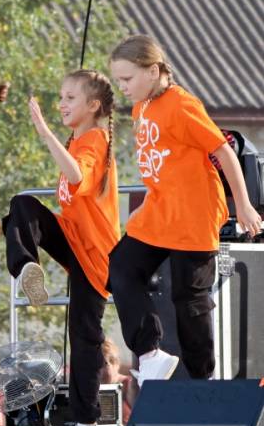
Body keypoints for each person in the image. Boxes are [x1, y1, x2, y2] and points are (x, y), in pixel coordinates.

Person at [108, 35, 263, 385]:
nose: (123, 87)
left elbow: (223, 151)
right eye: (119, 80)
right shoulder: (142, 107)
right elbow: (163, 165)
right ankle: (151, 353)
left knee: (188, 299)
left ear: (153, 71)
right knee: (122, 268)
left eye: (127, 78)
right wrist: (147, 205)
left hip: (194, 214)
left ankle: (202, 379)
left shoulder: (181, 104)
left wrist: (243, 205)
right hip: (160, 212)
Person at [3, 70, 120, 426]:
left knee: (84, 334)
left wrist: (44, 133)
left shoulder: (95, 139)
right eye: (61, 97)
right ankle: (26, 268)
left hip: (96, 253)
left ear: (93, 105)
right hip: (72, 238)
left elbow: (76, 174)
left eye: (70, 98)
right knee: (22, 206)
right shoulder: (77, 139)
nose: (62, 105)